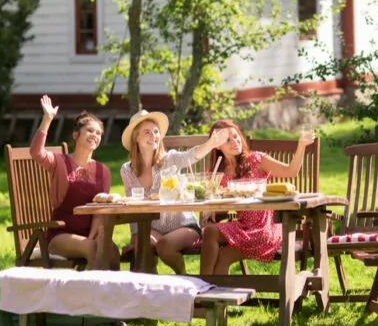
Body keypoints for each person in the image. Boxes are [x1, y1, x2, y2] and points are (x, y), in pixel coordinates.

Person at [120, 110, 230, 274]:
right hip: (150, 227)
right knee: (143, 245)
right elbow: (132, 208)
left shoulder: (170, 159)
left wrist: (211, 144)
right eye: (147, 132)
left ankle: (184, 278)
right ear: (136, 137)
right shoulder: (127, 170)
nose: (154, 136)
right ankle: (152, 285)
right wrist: (136, 236)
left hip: (183, 225)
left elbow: (191, 156)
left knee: (164, 246)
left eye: (156, 132)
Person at [199, 120, 315, 275]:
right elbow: (221, 204)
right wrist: (212, 210)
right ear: (217, 145)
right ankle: (203, 285)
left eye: (236, 136)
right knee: (210, 231)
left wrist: (301, 146)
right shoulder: (218, 173)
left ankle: (206, 285)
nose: (235, 142)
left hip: (265, 229)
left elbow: (290, 171)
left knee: (224, 256)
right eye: (227, 140)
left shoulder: (256, 160)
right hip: (242, 227)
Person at [30, 95, 117, 269]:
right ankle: (92, 288)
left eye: (98, 133)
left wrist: (92, 237)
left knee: (113, 252)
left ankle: (110, 288)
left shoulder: (103, 172)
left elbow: (100, 212)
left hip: (89, 235)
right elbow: (36, 152)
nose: (95, 135)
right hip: (60, 235)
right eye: (90, 131)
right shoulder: (60, 162)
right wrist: (47, 119)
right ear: (76, 135)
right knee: (94, 249)